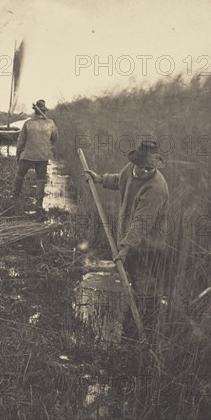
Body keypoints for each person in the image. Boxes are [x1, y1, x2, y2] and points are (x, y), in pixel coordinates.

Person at [83, 140, 170, 330]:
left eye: (150, 168)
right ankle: (133, 326)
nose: (146, 171)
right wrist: (100, 178)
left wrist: (125, 247)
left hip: (148, 247)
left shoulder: (156, 187)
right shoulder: (130, 169)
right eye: (143, 167)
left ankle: (143, 332)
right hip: (130, 242)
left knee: (146, 291)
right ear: (136, 162)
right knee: (135, 286)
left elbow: (142, 222)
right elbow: (120, 180)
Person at [13, 99, 58, 212]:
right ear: (44, 111)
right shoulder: (50, 123)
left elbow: (21, 142)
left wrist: (18, 154)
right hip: (43, 156)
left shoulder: (28, 123)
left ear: (35, 111)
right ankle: (39, 203)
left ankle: (15, 196)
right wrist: (53, 129)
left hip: (28, 154)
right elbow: (55, 139)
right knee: (41, 179)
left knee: (20, 175)